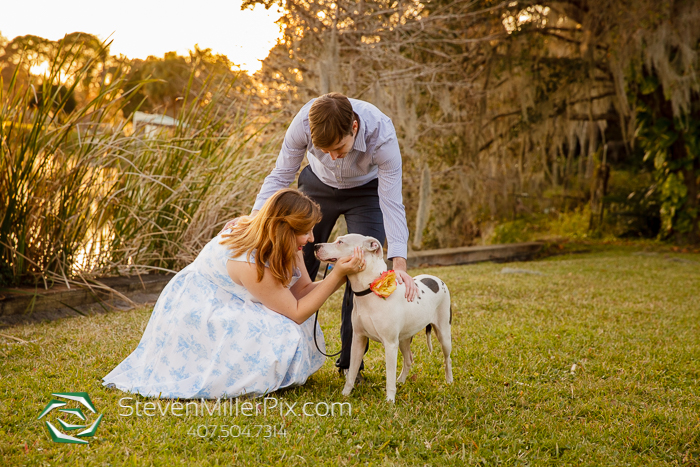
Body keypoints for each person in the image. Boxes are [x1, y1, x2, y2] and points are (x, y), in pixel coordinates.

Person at [103, 189, 366, 399]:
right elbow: (296, 312)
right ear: (284, 229)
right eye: (305, 231)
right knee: (284, 332)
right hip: (202, 306)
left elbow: (303, 291)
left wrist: (340, 274)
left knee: (291, 327)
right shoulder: (250, 262)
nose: (310, 239)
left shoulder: (282, 242)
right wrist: (337, 275)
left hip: (235, 295)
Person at [250, 92, 419, 376]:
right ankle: (285, 355)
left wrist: (399, 263)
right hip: (317, 185)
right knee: (293, 262)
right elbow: (281, 176)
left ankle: (350, 365)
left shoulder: (382, 134)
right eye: (323, 149)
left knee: (361, 270)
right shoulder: (303, 123)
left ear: (354, 127)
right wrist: (253, 220)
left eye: (339, 147)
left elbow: (391, 202)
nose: (333, 156)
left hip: (366, 192)